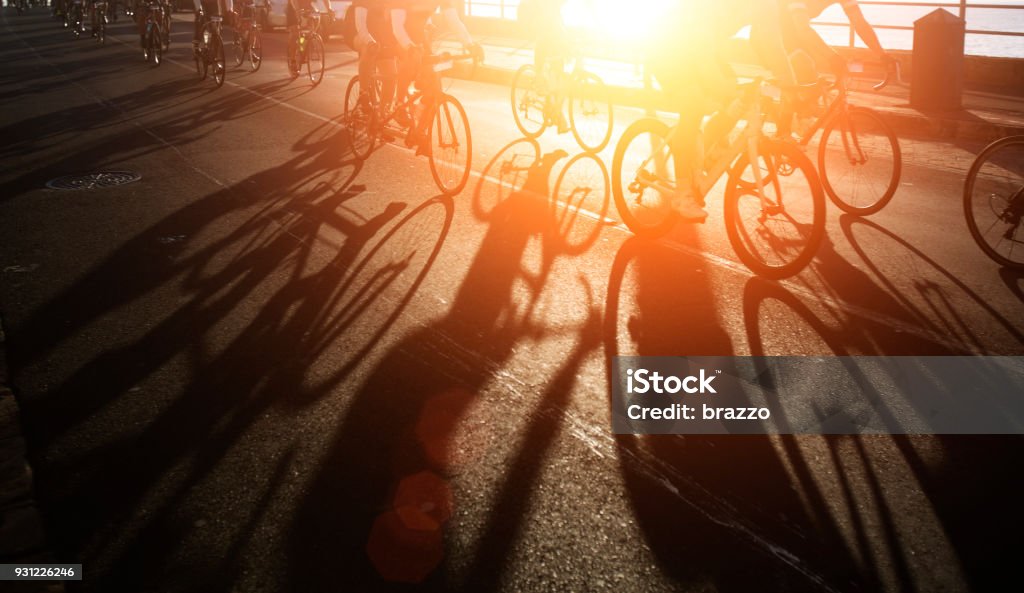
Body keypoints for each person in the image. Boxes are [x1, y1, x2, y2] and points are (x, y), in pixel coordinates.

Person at [647, 1, 796, 221]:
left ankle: (707, 150)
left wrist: (791, 85)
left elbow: (770, 41)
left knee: (738, 98)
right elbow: (703, 60)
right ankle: (682, 193)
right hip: (668, 49)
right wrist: (730, 89)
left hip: (705, 47)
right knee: (693, 103)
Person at [389, 0, 480, 153]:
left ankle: (418, 130)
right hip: (398, 37)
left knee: (433, 88)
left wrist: (470, 44)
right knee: (409, 60)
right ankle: (399, 104)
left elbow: (454, 21)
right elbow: (397, 27)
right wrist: (409, 46)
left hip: (421, 41)